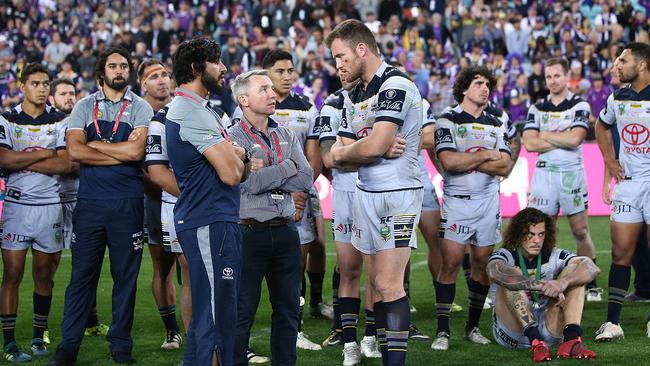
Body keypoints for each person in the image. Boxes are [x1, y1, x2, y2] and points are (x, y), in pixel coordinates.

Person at [326, 19, 423, 365]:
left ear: (361, 49)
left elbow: (368, 146)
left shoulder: (395, 83)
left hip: (397, 194)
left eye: (341, 56)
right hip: (364, 192)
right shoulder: (353, 94)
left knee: (388, 283)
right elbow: (338, 155)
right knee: (378, 283)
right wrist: (362, 149)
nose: (338, 65)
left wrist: (364, 148)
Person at [49, 47, 153, 365]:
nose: (119, 70)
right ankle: (69, 345)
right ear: (101, 72)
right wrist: (118, 149)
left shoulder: (141, 107)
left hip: (128, 204)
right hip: (91, 205)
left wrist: (96, 145)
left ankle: (120, 344)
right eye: (113, 66)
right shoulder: (83, 106)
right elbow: (75, 153)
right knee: (81, 278)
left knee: (126, 278)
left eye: (124, 65)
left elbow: (137, 153)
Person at [232, 49, 326, 350]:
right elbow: (250, 182)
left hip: (286, 230)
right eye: (265, 89)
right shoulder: (232, 136)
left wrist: (272, 171)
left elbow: (306, 176)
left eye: (271, 89)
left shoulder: (285, 131)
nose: (273, 92)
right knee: (242, 310)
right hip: (248, 231)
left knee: (287, 311)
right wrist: (287, 167)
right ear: (244, 100)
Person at [166, 37, 249, 366]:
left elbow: (236, 165)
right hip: (208, 221)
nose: (224, 68)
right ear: (196, 68)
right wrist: (239, 155)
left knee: (215, 313)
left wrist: (238, 156)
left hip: (213, 219)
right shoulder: (190, 111)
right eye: (216, 61)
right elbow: (232, 173)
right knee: (214, 316)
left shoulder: (200, 109)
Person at [432, 65, 514, 351]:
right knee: (451, 264)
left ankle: (472, 327)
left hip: (488, 203)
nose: (485, 88)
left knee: (481, 264)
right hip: (457, 203)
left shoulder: (497, 122)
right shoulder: (447, 120)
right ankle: (442, 332)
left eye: (488, 84)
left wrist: (473, 158)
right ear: (464, 88)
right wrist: (487, 155)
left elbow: (505, 165)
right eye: (478, 83)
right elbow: (449, 162)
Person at [0, 63, 70, 362]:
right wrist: (46, 153)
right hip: (17, 206)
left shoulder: (60, 122)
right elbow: (3, 158)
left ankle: (38, 338)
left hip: (49, 207)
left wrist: (23, 160)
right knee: (12, 273)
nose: (42, 88)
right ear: (22, 86)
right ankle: (10, 342)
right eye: (35, 83)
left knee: (44, 274)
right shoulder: (6, 120)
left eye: (45, 84)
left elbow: (65, 164)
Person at [522, 57, 600, 302]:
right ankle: (543, 277)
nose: (552, 81)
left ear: (567, 76)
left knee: (580, 230)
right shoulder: (537, 107)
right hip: (544, 175)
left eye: (557, 75)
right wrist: (559, 136)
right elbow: (529, 142)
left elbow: (576, 139)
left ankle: (591, 281)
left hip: (571, 174)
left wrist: (544, 134)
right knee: (542, 230)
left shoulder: (580, 105)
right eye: (548, 77)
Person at [318, 74, 383, 364]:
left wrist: (349, 151)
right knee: (349, 270)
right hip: (346, 193)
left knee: (379, 273)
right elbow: (330, 159)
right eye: (339, 64)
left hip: (376, 190)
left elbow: (343, 153)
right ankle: (349, 344)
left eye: (347, 62)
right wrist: (372, 151)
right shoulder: (331, 105)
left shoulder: (383, 99)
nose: (343, 68)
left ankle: (370, 336)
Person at [487, 207, 598, 362]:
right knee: (511, 276)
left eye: (541, 234)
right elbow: (495, 272)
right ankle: (536, 341)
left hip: (548, 327)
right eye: (530, 235)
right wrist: (542, 286)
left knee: (575, 272)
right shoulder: (505, 254)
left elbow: (591, 267)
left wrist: (562, 283)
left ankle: (572, 340)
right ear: (519, 234)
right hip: (514, 333)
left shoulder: (554, 255)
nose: (537, 240)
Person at [594, 42, 650, 342]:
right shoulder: (617, 98)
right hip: (628, 184)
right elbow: (601, 127)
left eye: (623, 61)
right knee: (620, 253)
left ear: (641, 65)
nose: (617, 65)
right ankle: (613, 324)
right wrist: (609, 160)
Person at [48, 78, 110, 338]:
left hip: (80, 198)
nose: (69, 98)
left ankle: (91, 320)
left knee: (86, 263)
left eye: (72, 93)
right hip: (51, 200)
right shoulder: (47, 126)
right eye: (62, 94)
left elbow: (76, 162)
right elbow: (70, 163)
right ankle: (43, 330)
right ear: (52, 99)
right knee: (46, 265)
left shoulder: (82, 123)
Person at [137, 59, 183, 350]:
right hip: (155, 199)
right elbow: (138, 164)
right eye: (154, 76)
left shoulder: (180, 107)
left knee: (192, 266)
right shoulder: (137, 115)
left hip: (184, 195)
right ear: (142, 84)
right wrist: (164, 190)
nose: (162, 80)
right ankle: (172, 330)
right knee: (162, 266)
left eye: (165, 74)